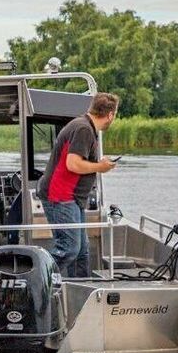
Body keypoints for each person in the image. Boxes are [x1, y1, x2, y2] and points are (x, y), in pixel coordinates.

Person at [35, 92, 119, 277]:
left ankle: (80, 289)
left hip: (72, 198)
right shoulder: (83, 129)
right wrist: (101, 167)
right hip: (60, 196)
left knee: (82, 252)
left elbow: (78, 159)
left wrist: (99, 162)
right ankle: (34, 279)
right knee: (69, 249)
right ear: (110, 114)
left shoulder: (84, 126)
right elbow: (72, 164)